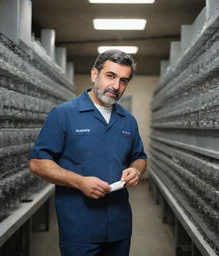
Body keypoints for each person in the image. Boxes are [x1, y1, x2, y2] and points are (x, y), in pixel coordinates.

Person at [29, 49, 147, 256]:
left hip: (119, 226)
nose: (116, 86)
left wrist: (136, 171)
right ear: (95, 74)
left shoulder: (128, 120)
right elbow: (38, 162)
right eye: (110, 76)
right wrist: (79, 182)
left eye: (124, 80)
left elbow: (139, 157)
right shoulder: (64, 114)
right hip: (79, 228)